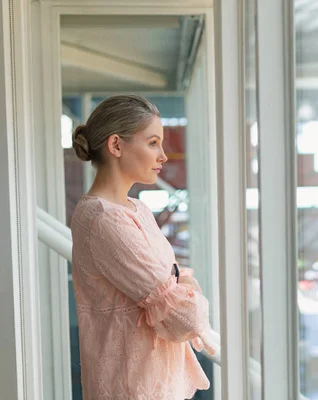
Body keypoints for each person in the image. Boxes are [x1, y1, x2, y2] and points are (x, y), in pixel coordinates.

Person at [70, 95, 215, 400]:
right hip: (131, 389)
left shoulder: (137, 210)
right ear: (116, 146)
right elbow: (186, 318)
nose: (163, 156)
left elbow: (176, 296)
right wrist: (182, 282)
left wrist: (178, 283)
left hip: (157, 384)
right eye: (152, 143)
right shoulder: (103, 220)